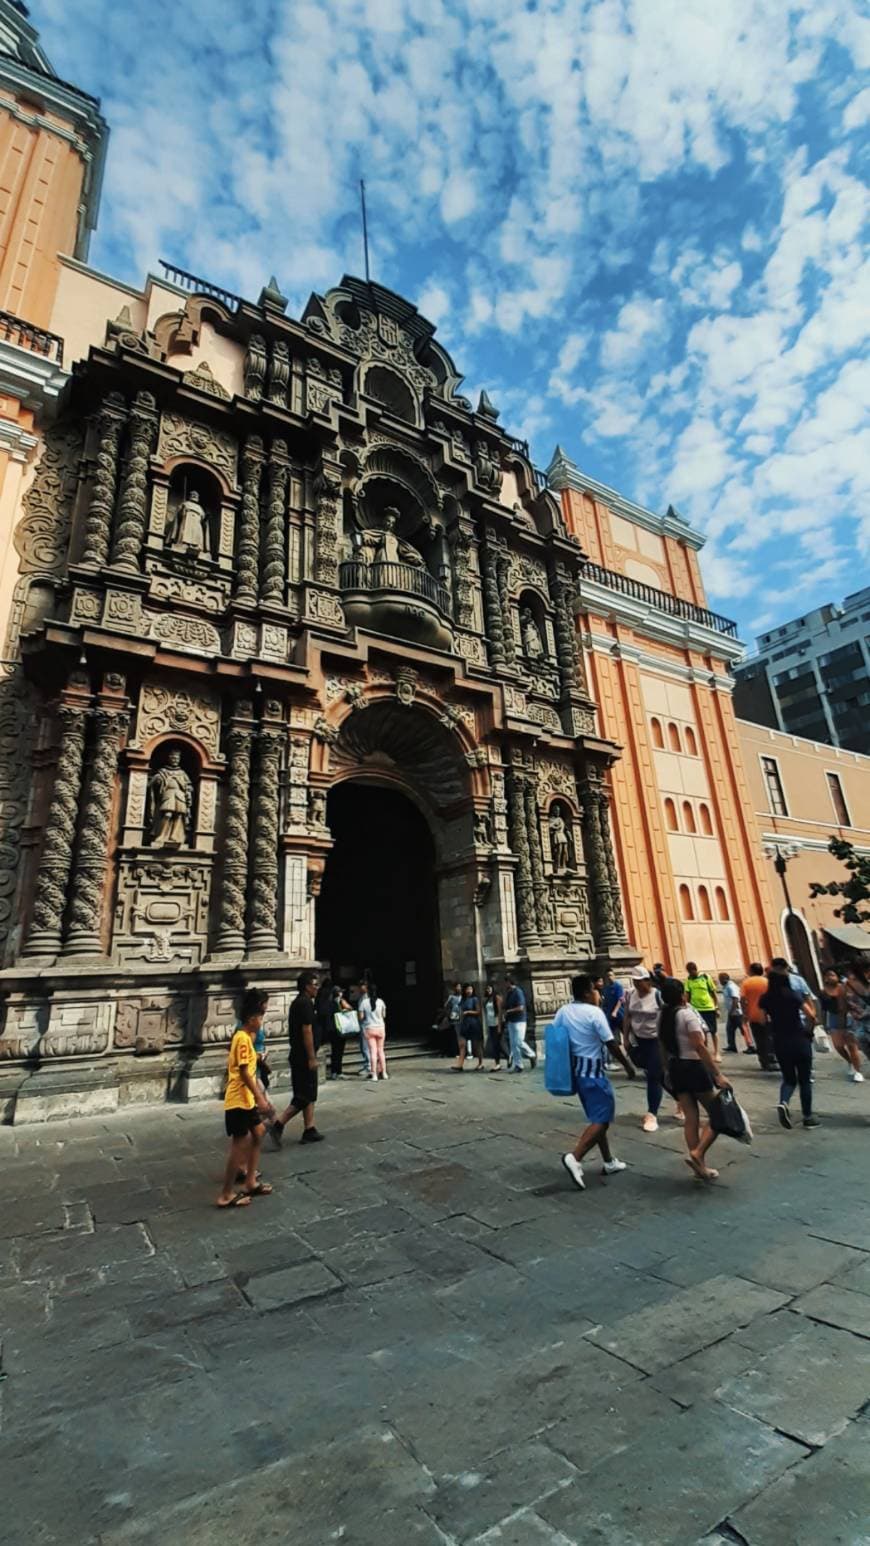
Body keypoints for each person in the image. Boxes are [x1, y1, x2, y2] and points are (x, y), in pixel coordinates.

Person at [559, 974, 637, 1191]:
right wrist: (628, 1066)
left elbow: (556, 1036)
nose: (598, 993)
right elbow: (611, 1043)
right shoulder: (594, 1013)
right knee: (602, 1119)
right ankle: (575, 1158)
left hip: (576, 1072)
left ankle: (609, 1161)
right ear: (586, 992)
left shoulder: (564, 1011)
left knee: (597, 1116)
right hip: (593, 1072)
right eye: (595, 989)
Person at [657, 977, 731, 1181]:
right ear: (682, 995)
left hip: (676, 1067)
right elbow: (699, 1046)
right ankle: (698, 1153)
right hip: (694, 1067)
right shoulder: (687, 1015)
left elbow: (661, 1046)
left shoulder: (662, 1016)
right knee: (718, 1115)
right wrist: (717, 1073)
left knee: (691, 1117)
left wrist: (666, 1070)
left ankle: (700, 1167)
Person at [217, 987, 274, 1208]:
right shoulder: (241, 1038)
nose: (262, 1020)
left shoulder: (246, 1038)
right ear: (251, 1018)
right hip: (239, 1099)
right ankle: (225, 1194)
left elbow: (248, 1065)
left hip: (246, 1099)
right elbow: (243, 1073)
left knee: (259, 1132)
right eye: (261, 1016)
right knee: (239, 1145)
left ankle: (250, 1181)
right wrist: (260, 1098)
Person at [761, 960, 819, 1130]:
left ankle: (783, 1102)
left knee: (788, 1079)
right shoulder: (793, 995)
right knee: (805, 1080)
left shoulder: (766, 999)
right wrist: (809, 1031)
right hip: (799, 1038)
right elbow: (811, 1017)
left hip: (780, 1041)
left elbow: (764, 1020)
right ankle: (808, 1117)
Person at [270, 970, 324, 1147]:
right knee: (304, 1095)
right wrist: (311, 1057)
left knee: (309, 1092)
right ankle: (278, 1124)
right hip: (303, 1056)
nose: (317, 988)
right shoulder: (305, 1004)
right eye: (315, 985)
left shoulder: (300, 1002)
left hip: (299, 1055)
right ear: (307, 986)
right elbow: (306, 1031)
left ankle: (310, 1128)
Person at [623, 966, 665, 1132]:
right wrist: (625, 1038)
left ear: (648, 981)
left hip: (657, 1040)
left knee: (654, 1075)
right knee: (655, 1073)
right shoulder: (631, 994)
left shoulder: (657, 995)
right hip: (640, 1040)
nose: (637, 985)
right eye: (635, 982)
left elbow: (667, 1015)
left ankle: (652, 1114)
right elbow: (627, 1015)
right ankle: (682, 1101)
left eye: (639, 982)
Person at [821, 969, 864, 1082]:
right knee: (838, 1046)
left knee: (852, 1046)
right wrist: (824, 1023)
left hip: (848, 1017)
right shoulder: (824, 992)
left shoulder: (844, 988)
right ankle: (849, 1061)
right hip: (834, 1019)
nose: (831, 977)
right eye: (828, 975)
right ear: (825, 978)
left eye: (833, 975)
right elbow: (824, 1009)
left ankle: (858, 1071)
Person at [741, 963, 775, 1069]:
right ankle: (772, 1057)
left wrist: (745, 1013)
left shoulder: (746, 983)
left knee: (759, 1039)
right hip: (768, 1014)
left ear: (751, 971)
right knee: (770, 1037)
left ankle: (764, 1060)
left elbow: (742, 999)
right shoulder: (768, 982)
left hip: (753, 1015)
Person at [504, 971, 536, 1073]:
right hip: (511, 1020)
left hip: (519, 1020)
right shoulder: (509, 993)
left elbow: (521, 1007)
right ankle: (518, 1065)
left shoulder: (518, 992)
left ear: (510, 982)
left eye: (506, 982)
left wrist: (509, 1011)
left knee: (518, 1041)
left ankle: (531, 1054)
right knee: (513, 1044)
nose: (505, 984)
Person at [684, 963, 720, 1056]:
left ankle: (717, 1052)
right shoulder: (688, 980)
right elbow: (687, 995)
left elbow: (713, 993)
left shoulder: (705, 977)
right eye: (689, 971)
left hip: (709, 1007)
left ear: (695, 969)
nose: (690, 973)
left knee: (713, 1031)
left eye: (691, 971)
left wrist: (716, 1007)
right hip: (696, 1009)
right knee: (702, 1032)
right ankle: (706, 1052)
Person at [359, 981, 388, 1081]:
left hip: (369, 1028)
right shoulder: (381, 1002)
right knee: (381, 1051)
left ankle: (374, 1074)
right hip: (380, 1028)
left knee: (372, 1052)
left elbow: (361, 1017)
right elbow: (384, 1015)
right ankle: (384, 1073)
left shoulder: (364, 1002)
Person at [454, 983, 484, 1071]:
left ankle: (480, 1063)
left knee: (476, 1045)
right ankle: (460, 1064)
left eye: (470, 989)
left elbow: (478, 1012)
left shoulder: (474, 999)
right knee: (462, 1044)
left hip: (474, 1023)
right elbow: (459, 1009)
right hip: (465, 1023)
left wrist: (468, 1012)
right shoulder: (463, 1000)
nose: (469, 991)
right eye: (467, 989)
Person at [844, 961, 870, 1061]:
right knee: (864, 1045)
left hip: (860, 1021)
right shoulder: (849, 985)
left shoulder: (849, 984)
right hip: (860, 1023)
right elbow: (848, 1003)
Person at [328, 987, 355, 1079]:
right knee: (336, 1052)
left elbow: (350, 1008)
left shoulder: (340, 1002)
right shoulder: (333, 1003)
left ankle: (337, 1071)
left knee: (338, 1052)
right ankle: (336, 1071)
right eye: (340, 992)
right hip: (336, 1030)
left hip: (340, 1030)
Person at [719, 971, 744, 1053]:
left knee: (743, 1029)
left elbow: (735, 999)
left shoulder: (731, 987)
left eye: (720, 980)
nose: (720, 982)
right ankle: (732, 1046)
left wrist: (732, 1011)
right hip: (732, 1012)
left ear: (725, 979)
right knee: (729, 1029)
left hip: (737, 1012)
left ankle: (751, 1045)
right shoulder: (726, 987)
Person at [484, 982, 506, 1068]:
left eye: (489, 988)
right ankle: (503, 1059)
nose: (488, 990)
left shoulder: (497, 998)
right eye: (487, 989)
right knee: (495, 1044)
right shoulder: (487, 999)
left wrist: (499, 1026)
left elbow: (500, 1012)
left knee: (497, 1044)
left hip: (497, 1023)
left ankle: (499, 1062)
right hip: (490, 1023)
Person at [600, 970, 625, 1044]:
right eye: (607, 976)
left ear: (614, 976)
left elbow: (620, 1000)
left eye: (611, 975)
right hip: (609, 1015)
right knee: (612, 1035)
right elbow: (605, 1001)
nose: (609, 977)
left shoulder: (618, 986)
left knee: (625, 1031)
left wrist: (615, 1011)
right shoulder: (606, 989)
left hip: (619, 1013)